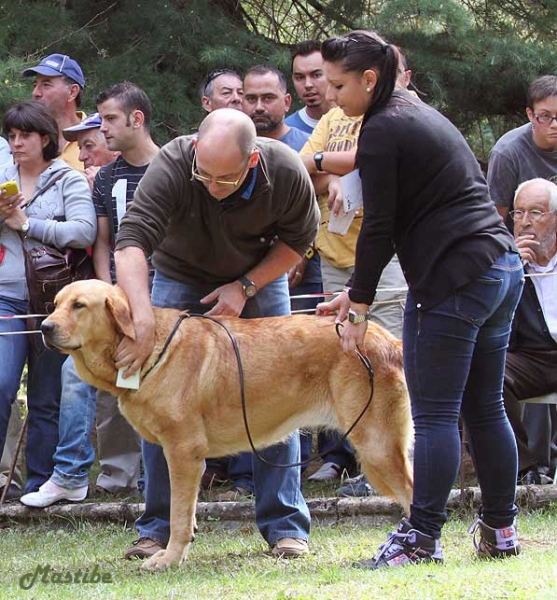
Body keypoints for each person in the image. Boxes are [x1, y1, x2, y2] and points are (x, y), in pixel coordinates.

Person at [317, 30, 524, 568]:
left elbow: (379, 225)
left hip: (453, 278)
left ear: (369, 79)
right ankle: (500, 533)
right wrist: (354, 296)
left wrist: (359, 304)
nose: (331, 96)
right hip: (499, 268)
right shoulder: (412, 111)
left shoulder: (383, 127)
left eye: (338, 84)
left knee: (433, 416)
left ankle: (420, 539)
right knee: (485, 407)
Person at [114, 108, 317, 560]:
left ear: (251, 162)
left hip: (257, 279)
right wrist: (143, 318)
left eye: (222, 179)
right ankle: (159, 527)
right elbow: (130, 244)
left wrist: (246, 287)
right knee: (159, 406)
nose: (209, 185)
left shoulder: (284, 168)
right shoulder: (173, 163)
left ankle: (285, 526)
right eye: (202, 173)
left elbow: (299, 240)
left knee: (278, 396)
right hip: (178, 275)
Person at [20, 93, 149, 508]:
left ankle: (152, 477)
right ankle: (71, 474)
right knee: (77, 375)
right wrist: (104, 287)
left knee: (147, 382)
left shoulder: (171, 165)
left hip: (163, 293)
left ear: (135, 119)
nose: (96, 136)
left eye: (107, 123)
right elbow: (102, 241)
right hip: (110, 294)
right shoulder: (107, 179)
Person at [298, 55, 412, 486]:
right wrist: (334, 178)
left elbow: (384, 170)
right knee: (349, 361)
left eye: (336, 84)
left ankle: (391, 466)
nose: (329, 93)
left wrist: (341, 166)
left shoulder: (397, 118)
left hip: (387, 258)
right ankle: (353, 460)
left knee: (390, 367)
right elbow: (303, 167)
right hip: (335, 254)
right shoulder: (332, 119)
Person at [0, 101, 96, 495]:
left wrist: (28, 224)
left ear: (45, 139)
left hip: (56, 302)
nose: (16, 143)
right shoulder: (3, 174)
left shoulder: (66, 179)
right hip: (5, 296)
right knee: (2, 385)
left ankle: (40, 483)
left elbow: (84, 232)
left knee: (46, 396)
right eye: (11, 136)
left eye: (25, 136)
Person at [503, 178, 557, 485]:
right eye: (518, 213)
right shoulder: (502, 260)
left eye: (535, 213)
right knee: (483, 373)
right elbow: (493, 328)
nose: (524, 222)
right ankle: (522, 469)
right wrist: (512, 271)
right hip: (531, 358)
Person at [488, 75, 557, 224]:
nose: (554, 124)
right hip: (525, 240)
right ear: (530, 114)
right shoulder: (507, 154)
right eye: (545, 116)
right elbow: (495, 222)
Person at [22, 53, 87, 170]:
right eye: (35, 85)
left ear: (72, 92)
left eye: (46, 85)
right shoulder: (25, 139)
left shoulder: (98, 137)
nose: (35, 93)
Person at [285, 40, 333, 134]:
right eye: (300, 77)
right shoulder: (288, 131)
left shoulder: (356, 121)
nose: (308, 85)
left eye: (316, 75)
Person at [62, 112, 119, 189]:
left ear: (116, 148)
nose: (81, 157)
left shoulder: (137, 182)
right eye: (80, 148)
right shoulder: (76, 186)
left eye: (89, 146)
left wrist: (102, 189)